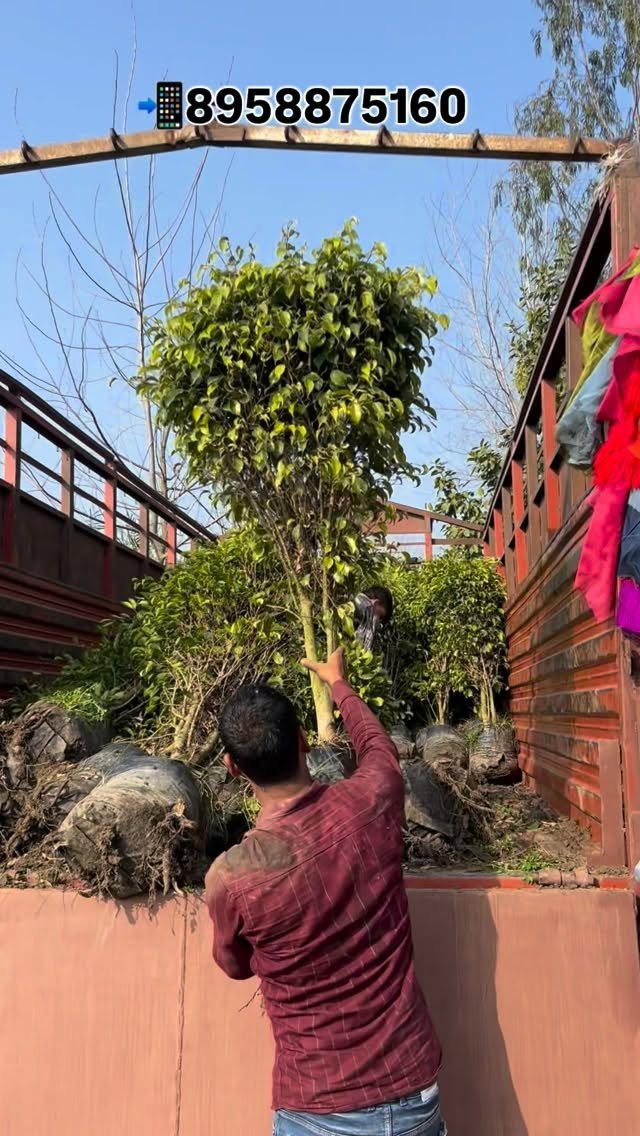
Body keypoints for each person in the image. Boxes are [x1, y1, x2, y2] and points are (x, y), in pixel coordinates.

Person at [205, 647, 445, 1136]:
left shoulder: (232, 877)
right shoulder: (372, 801)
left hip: (317, 1108)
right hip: (413, 1093)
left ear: (232, 767)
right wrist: (339, 685)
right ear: (303, 741)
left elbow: (235, 965)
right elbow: (378, 747)